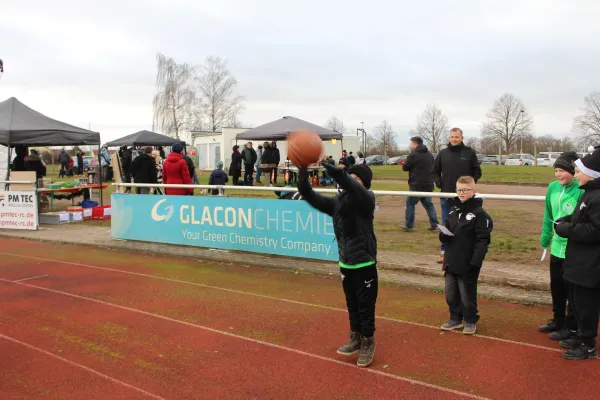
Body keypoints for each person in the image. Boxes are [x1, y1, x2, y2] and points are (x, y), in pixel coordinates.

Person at [298, 162, 378, 368]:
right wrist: (303, 170)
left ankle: (368, 341)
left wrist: (331, 167)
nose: (350, 182)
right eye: (349, 177)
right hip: (346, 263)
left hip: (365, 262)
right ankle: (356, 337)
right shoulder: (337, 203)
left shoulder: (366, 199)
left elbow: (349, 183)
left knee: (365, 305)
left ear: (363, 184)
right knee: (352, 304)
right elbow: (308, 194)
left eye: (356, 179)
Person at [554, 149, 600, 360]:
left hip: (589, 265)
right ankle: (580, 336)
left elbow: (595, 230)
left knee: (586, 306)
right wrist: (567, 219)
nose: (577, 174)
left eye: (580, 171)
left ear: (592, 173)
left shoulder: (597, 197)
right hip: (578, 262)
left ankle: (588, 345)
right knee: (575, 302)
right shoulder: (589, 193)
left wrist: (566, 229)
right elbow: (581, 217)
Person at [439, 176, 493, 335]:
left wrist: (475, 262)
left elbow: (483, 240)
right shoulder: (453, 210)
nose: (461, 193)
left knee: (467, 295)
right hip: (451, 260)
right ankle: (455, 317)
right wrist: (443, 236)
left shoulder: (480, 214)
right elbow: (448, 230)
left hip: (468, 262)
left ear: (473, 191)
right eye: (459, 190)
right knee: (450, 293)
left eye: (465, 190)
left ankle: (470, 320)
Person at [538, 152, 582, 340]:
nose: (558, 174)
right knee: (556, 287)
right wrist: (546, 237)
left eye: (562, 170)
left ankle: (572, 325)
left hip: (573, 249)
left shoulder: (581, 190)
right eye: (556, 170)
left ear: (573, 171)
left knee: (571, 289)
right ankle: (558, 320)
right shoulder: (552, 188)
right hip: (556, 247)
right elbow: (548, 215)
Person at [433, 128, 482, 263]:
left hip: (465, 198)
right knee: (447, 225)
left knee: (465, 225)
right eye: (452, 137)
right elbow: (435, 172)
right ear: (449, 138)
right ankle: (444, 253)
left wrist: (470, 185)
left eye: (457, 137)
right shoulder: (443, 153)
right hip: (447, 196)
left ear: (462, 137)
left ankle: (463, 253)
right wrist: (439, 183)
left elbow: (477, 172)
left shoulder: (469, 153)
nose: (454, 139)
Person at [403, 136, 439, 232]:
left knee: (410, 203)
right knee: (429, 205)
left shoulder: (413, 154)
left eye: (411, 143)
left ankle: (409, 225)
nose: (410, 145)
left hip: (416, 185)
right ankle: (435, 224)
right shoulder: (429, 154)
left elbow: (405, 167)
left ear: (415, 144)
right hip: (428, 184)